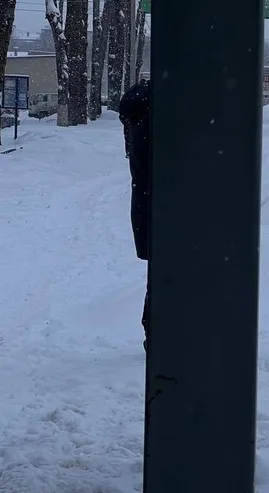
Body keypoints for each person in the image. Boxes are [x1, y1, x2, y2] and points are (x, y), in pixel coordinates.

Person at [118, 78, 152, 352]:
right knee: (169, 277)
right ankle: (158, 334)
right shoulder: (153, 121)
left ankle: (153, 332)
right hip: (163, 212)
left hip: (145, 210)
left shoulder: (136, 118)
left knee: (159, 277)